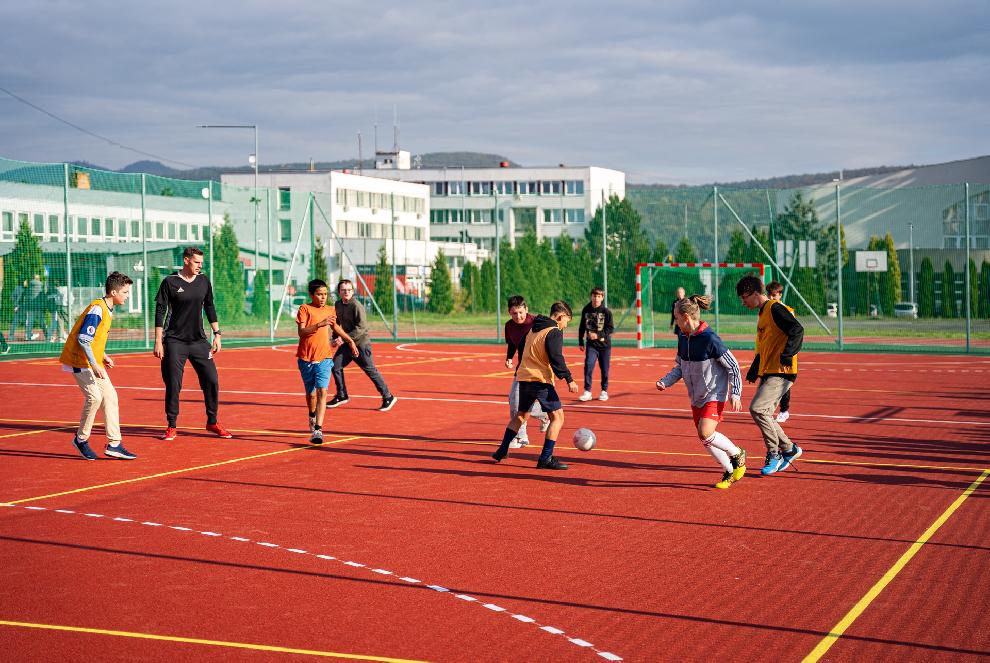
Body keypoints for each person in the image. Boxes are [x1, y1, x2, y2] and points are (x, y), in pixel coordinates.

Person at [656, 295, 746, 488]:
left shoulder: (709, 339)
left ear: (687, 317)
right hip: (696, 396)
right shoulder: (682, 338)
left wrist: (735, 393)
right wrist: (665, 381)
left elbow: (733, 366)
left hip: (714, 393)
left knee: (706, 432)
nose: (676, 322)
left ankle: (737, 454)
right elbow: (679, 367)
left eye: (677, 318)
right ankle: (729, 471)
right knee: (704, 437)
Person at [153, 247, 232, 441]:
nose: (200, 266)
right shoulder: (170, 282)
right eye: (197, 262)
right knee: (173, 384)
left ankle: (212, 421)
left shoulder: (204, 281)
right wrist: (158, 341)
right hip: (174, 342)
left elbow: (210, 306)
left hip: (198, 341)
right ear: (186, 260)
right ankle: (171, 425)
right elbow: (160, 311)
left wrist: (217, 333)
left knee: (212, 380)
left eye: (201, 263)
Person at [492, 301, 579, 470]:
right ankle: (545, 458)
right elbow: (556, 357)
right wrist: (569, 379)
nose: (565, 326)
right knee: (558, 418)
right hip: (539, 380)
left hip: (523, 376)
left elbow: (521, 347)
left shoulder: (533, 327)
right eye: (566, 322)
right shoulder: (553, 331)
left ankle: (502, 450)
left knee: (521, 415)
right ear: (560, 317)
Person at [59, 271, 137, 460]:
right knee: (94, 398)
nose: (127, 296)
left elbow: (94, 340)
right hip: (80, 361)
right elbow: (84, 339)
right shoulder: (98, 309)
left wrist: (103, 355)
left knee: (110, 396)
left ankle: (114, 444)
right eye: (125, 292)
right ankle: (81, 439)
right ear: (113, 292)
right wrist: (95, 364)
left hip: (91, 360)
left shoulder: (107, 309)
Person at [736, 275, 804, 475]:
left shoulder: (775, 308)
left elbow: (797, 330)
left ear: (754, 293)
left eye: (743, 297)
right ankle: (789, 449)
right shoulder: (763, 313)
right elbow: (766, 345)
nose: (743, 302)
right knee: (764, 413)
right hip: (770, 371)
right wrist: (755, 369)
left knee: (757, 409)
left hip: (781, 372)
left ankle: (774, 453)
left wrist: (787, 355)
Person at [296, 279, 359, 444]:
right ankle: (311, 415)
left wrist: (350, 341)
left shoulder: (331, 310)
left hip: (325, 357)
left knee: (322, 391)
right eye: (319, 294)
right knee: (311, 395)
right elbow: (301, 332)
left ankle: (318, 429)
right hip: (305, 358)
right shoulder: (305, 309)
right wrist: (319, 324)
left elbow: (337, 328)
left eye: (325, 294)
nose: (323, 297)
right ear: (311, 294)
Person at [327, 279, 397, 411]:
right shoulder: (337, 305)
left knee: (370, 370)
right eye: (343, 290)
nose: (346, 292)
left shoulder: (356, 306)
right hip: (348, 344)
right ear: (339, 292)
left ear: (352, 291)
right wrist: (335, 338)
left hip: (361, 344)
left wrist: (344, 339)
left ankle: (388, 396)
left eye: (349, 290)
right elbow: (336, 324)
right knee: (335, 366)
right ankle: (342, 395)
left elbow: (362, 328)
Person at [504, 295, 551, 448]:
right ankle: (544, 416)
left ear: (526, 309)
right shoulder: (509, 326)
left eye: (521, 312)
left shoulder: (536, 322)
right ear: (509, 313)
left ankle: (520, 437)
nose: (518, 316)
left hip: (537, 369)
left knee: (518, 403)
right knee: (514, 401)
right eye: (514, 313)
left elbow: (553, 332)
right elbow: (512, 343)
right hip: (522, 369)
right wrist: (509, 357)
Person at [766, 281, 796, 423]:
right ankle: (768, 409)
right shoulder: (766, 310)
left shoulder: (787, 311)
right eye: (769, 295)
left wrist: (787, 353)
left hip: (784, 353)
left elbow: (794, 332)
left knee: (783, 382)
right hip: (771, 353)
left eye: (774, 295)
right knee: (769, 381)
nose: (771, 298)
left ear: (780, 295)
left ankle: (784, 410)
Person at [578, 286, 614, 402]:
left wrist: (598, 335)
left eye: (599, 296)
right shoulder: (586, 309)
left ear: (602, 298)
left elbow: (610, 328)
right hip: (591, 345)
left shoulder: (606, 312)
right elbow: (582, 327)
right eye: (594, 296)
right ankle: (587, 391)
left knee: (604, 369)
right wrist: (580, 341)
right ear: (591, 296)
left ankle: (604, 391)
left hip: (605, 346)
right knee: (588, 366)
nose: (596, 298)